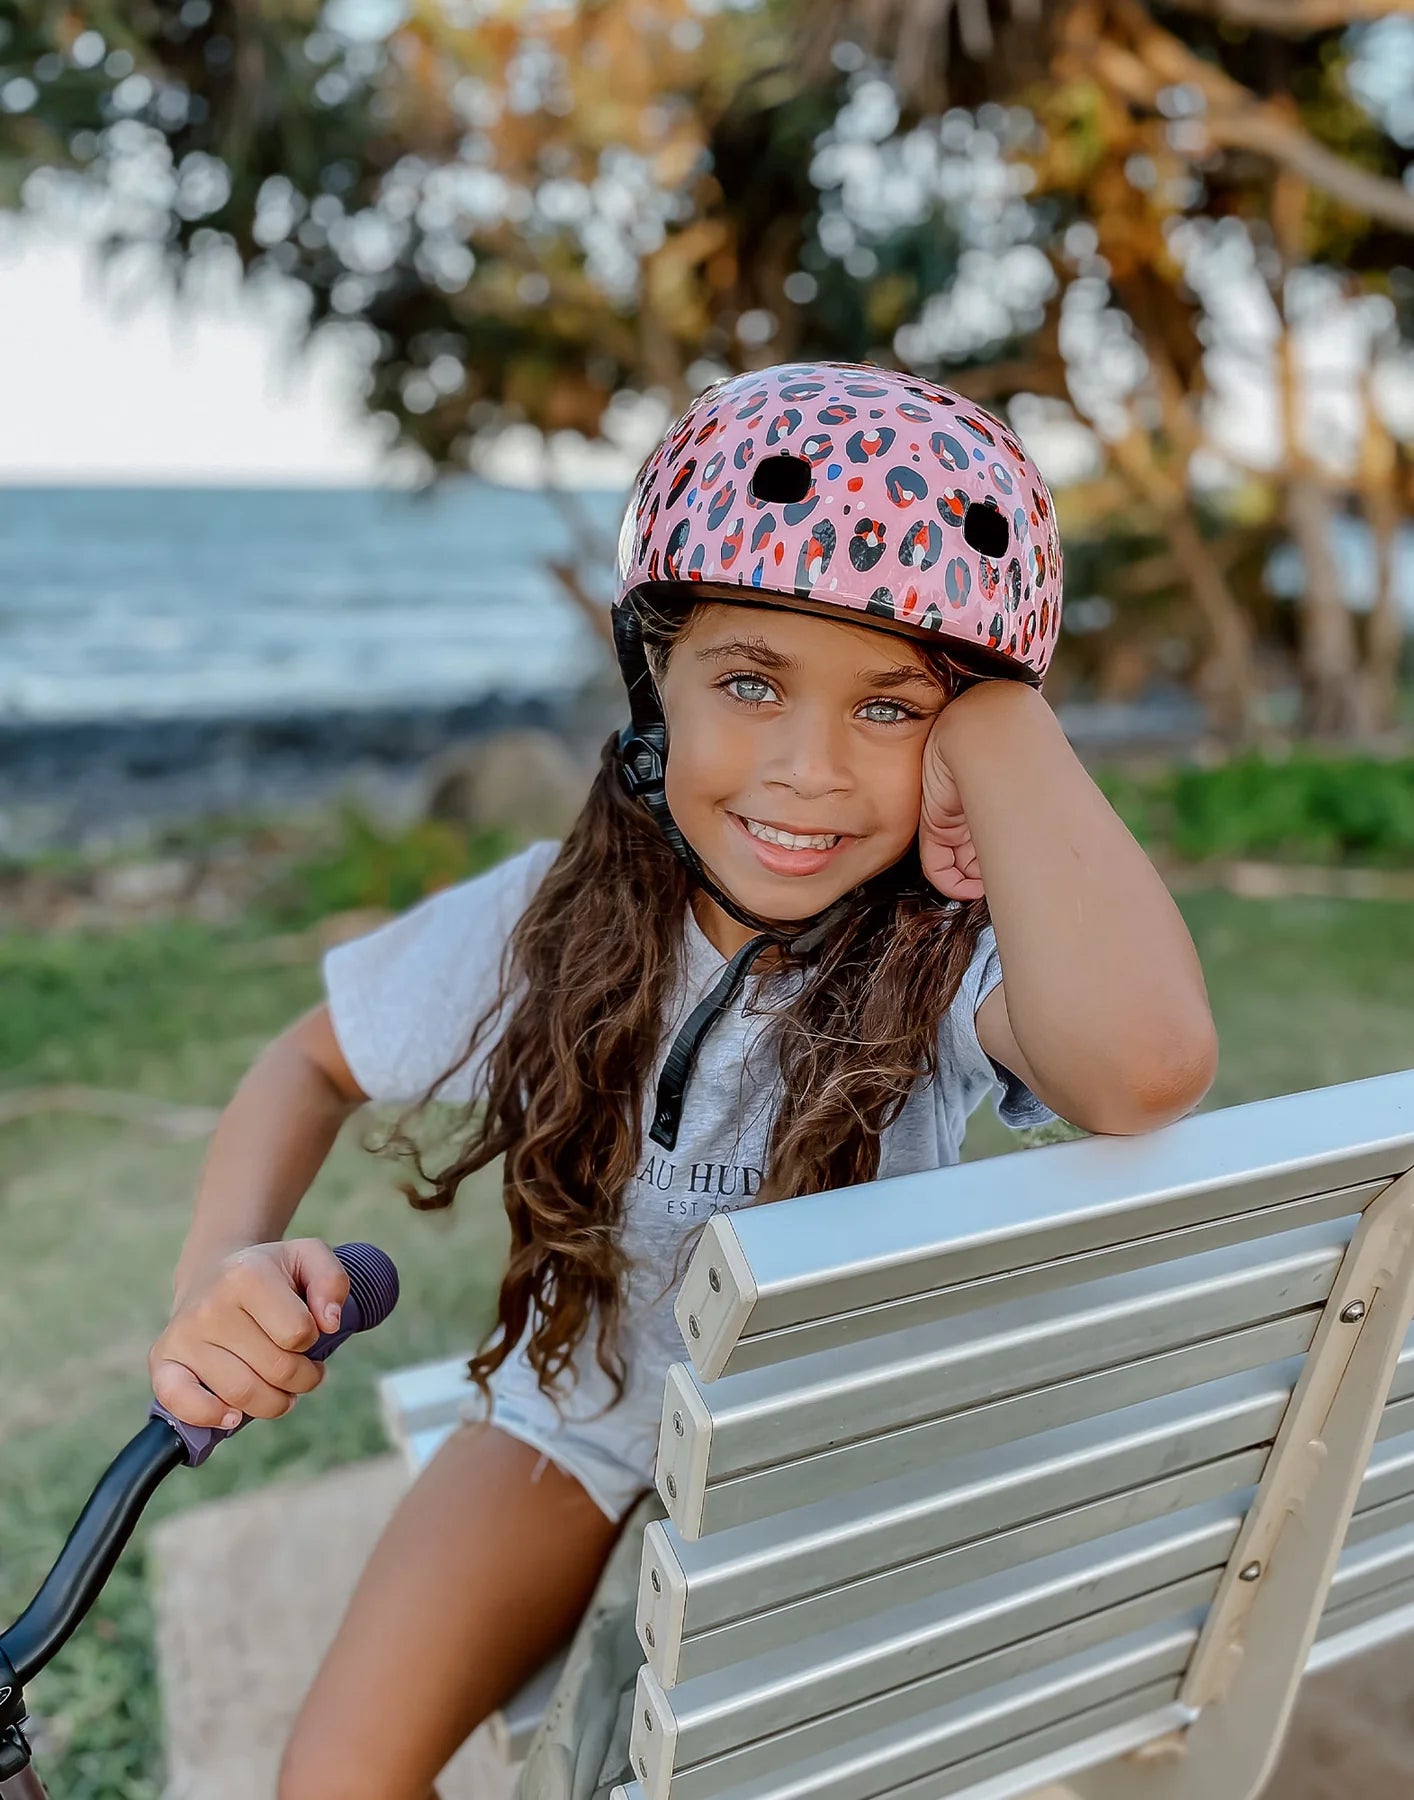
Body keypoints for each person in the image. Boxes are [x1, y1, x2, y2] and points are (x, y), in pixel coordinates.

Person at [148, 361, 1218, 1800]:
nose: (808, 773)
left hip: (823, 1462)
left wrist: (1005, 723)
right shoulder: (554, 913)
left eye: (892, 710)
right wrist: (213, 1268)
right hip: (576, 1414)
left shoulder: (953, 958)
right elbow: (309, 1061)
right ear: (654, 672)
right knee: (332, 1780)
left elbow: (1143, 1067)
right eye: (751, 680)